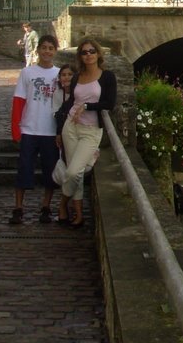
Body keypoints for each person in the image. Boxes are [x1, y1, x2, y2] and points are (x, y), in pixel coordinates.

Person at [56, 38, 116, 228]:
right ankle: (79, 214)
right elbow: (70, 102)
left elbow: (109, 103)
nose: (88, 55)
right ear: (80, 57)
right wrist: (59, 129)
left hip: (91, 131)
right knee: (77, 174)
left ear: (98, 54)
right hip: (71, 128)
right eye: (84, 52)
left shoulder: (107, 77)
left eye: (91, 51)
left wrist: (88, 106)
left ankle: (62, 204)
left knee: (74, 171)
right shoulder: (77, 77)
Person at [9, 34, 61, 225]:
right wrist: (16, 129)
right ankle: (18, 208)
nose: (47, 51)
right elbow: (19, 101)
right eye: (44, 47)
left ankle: (46, 207)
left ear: (55, 51)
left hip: (50, 130)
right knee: (23, 169)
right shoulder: (27, 73)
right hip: (30, 128)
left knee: (50, 172)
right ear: (38, 50)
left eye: (51, 48)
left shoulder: (59, 74)